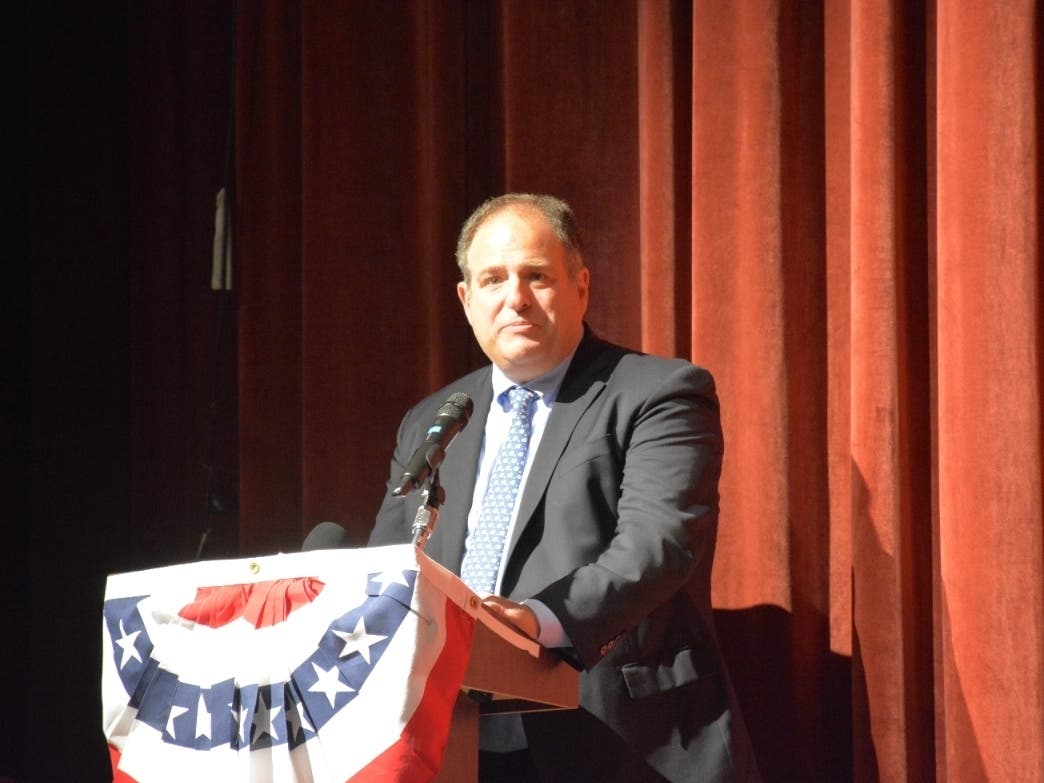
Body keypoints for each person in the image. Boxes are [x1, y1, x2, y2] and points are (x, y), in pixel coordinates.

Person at [369, 194, 759, 782]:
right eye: (493, 279)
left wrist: (533, 619)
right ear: (466, 299)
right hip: (455, 743)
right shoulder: (437, 418)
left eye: (537, 277)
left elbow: (657, 547)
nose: (515, 299)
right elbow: (388, 569)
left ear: (580, 285)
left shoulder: (658, 393)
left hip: (615, 739)